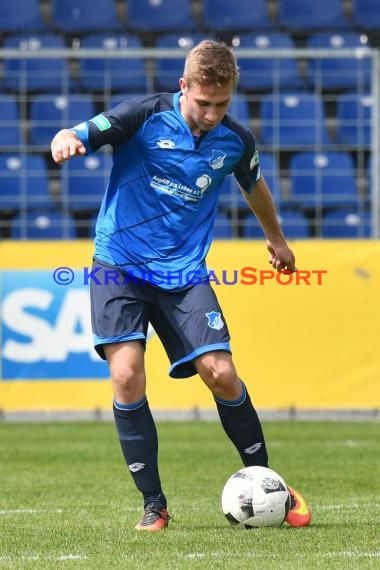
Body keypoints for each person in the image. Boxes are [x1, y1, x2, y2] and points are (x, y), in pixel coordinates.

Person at [51, 40, 311, 531]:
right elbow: (89, 128)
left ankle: (270, 482)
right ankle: (155, 503)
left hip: (184, 273)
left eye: (222, 104)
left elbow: (253, 185)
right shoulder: (143, 115)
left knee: (221, 371)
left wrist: (276, 238)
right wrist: (69, 135)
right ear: (183, 87)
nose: (212, 114)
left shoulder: (235, 139)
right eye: (203, 103)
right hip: (119, 264)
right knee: (126, 376)